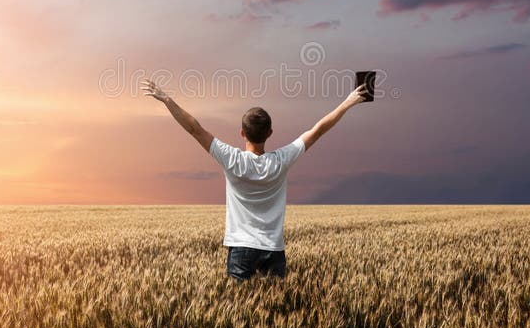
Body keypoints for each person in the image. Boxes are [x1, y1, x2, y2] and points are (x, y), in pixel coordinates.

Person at [141, 78, 368, 280]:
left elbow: (194, 129)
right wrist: (348, 102)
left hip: (241, 249)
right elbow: (317, 130)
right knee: (274, 313)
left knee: (239, 313)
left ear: (242, 133)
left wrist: (167, 99)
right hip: (273, 248)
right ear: (270, 133)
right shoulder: (282, 160)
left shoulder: (231, 159)